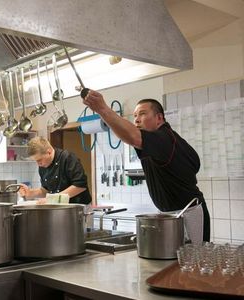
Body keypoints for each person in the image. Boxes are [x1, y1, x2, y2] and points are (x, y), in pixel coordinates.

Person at [83, 90, 210, 243]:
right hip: (171, 215)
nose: (137, 120)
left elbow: (132, 136)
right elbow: (194, 163)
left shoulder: (164, 138)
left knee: (193, 262)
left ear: (159, 118)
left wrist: (102, 108)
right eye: (135, 116)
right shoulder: (162, 141)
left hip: (188, 213)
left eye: (142, 114)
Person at [18, 137, 92, 205]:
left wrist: (52, 199)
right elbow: (46, 190)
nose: (38, 164)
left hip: (79, 208)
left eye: (39, 160)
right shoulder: (43, 166)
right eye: (36, 161)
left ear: (49, 152)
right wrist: (31, 193)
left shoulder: (67, 158)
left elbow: (80, 186)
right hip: (61, 209)